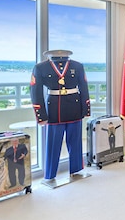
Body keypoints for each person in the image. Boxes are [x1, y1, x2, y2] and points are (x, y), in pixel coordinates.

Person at [30, 49, 91, 181]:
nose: (60, 59)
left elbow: (84, 87)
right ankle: (50, 175)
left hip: (74, 106)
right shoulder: (40, 67)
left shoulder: (77, 66)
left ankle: (76, 170)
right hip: (53, 109)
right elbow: (36, 92)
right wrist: (41, 115)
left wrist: (85, 108)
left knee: (75, 142)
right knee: (53, 144)